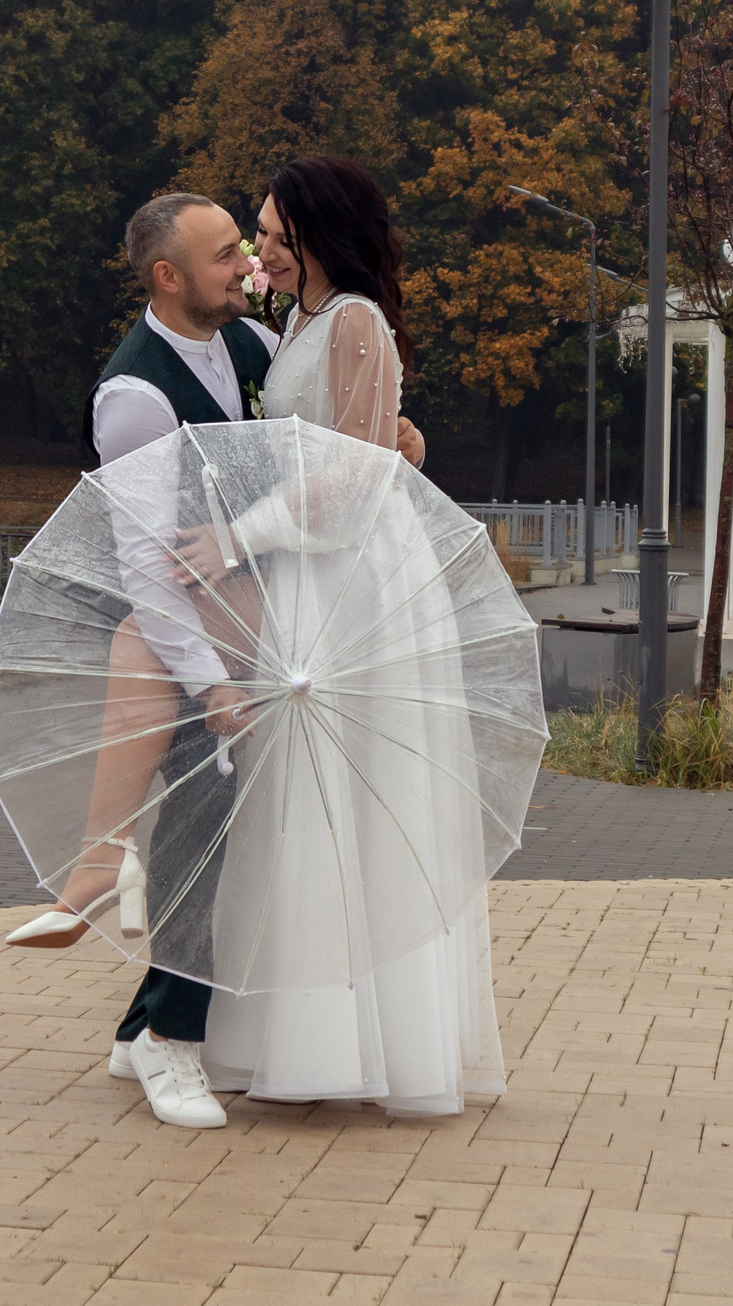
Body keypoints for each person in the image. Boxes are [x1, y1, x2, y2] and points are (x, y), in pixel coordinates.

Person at [0, 190, 423, 1131]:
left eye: (248, 245)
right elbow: (147, 568)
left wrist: (391, 437)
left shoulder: (257, 348)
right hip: (181, 638)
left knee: (225, 834)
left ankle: (136, 1015)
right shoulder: (135, 398)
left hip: (261, 616)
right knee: (201, 832)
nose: (248, 266)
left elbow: (320, 449)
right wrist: (212, 684)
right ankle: (171, 1046)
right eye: (228, 254)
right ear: (167, 277)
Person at [186, 154, 506, 1117]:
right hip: (311, 571)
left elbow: (359, 469)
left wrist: (240, 534)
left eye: (277, 237)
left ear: (321, 238)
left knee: (345, 794)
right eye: (259, 236)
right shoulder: (302, 321)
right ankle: (293, 1030)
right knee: (296, 795)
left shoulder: (355, 319)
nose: (262, 253)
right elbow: (367, 437)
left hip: (353, 578)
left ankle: (361, 1042)